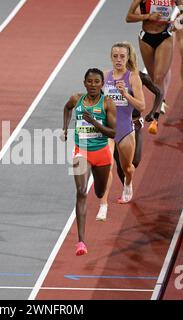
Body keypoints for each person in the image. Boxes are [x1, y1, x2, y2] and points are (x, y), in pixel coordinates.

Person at [62, 68, 116, 256]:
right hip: (81, 152)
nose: (93, 85)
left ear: (102, 84)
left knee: (100, 191)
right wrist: (65, 128)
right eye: (90, 82)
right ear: (84, 83)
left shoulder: (107, 103)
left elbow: (113, 133)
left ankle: (102, 197)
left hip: (101, 153)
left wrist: (94, 122)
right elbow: (66, 108)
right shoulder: (76, 99)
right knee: (81, 191)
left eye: (97, 82)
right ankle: (81, 242)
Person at [100, 71, 162, 216]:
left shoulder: (140, 77)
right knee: (119, 163)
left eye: (124, 58)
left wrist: (153, 113)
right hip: (117, 126)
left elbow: (159, 93)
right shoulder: (110, 78)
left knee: (135, 161)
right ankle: (126, 187)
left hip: (135, 124)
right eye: (117, 58)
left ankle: (128, 180)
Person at [96, 42, 145, 221]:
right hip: (108, 130)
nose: (118, 59)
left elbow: (142, 105)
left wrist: (126, 94)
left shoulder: (133, 78)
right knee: (106, 165)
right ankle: (103, 205)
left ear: (127, 58)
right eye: (115, 56)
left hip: (125, 129)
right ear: (111, 57)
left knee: (128, 168)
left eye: (122, 56)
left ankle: (128, 183)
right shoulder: (104, 76)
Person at [126, 0, 183, 114]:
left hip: (165, 36)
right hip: (146, 38)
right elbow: (128, 17)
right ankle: (160, 98)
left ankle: (155, 115)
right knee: (153, 79)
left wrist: (179, 22)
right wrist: (148, 16)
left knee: (159, 77)